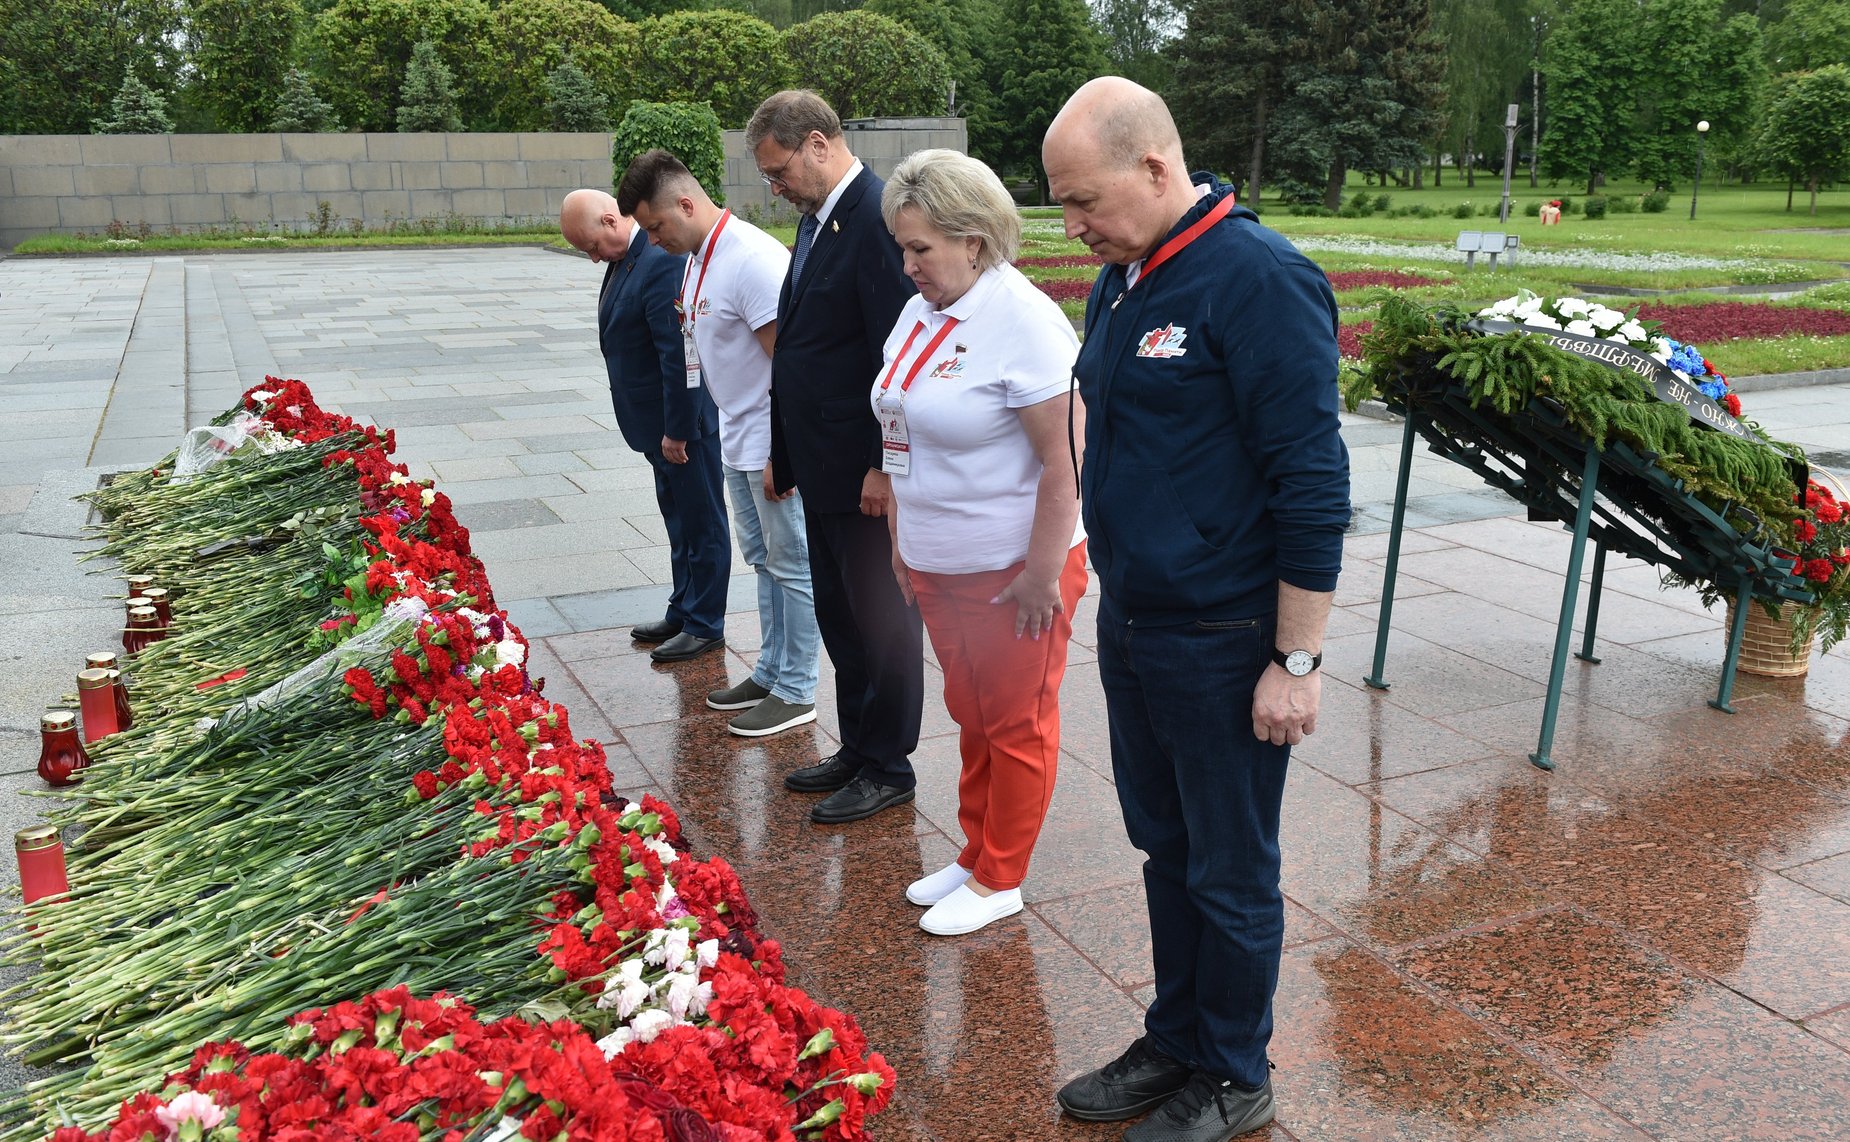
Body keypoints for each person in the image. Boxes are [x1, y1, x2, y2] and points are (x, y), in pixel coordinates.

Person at [1041, 78, 1351, 1142]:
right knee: (1164, 846)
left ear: (1155, 168)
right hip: (1137, 619)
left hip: (1225, 637)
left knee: (1228, 862)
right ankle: (1175, 1035)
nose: (1069, 225)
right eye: (1060, 204)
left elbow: (1310, 481)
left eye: (1081, 200)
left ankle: (1232, 1066)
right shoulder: (1122, 279)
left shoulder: (1258, 281)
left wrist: (1295, 662)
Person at [873, 149, 1087, 937]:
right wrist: (904, 539)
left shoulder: (1023, 320)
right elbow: (900, 434)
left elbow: (1066, 463)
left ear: (975, 238)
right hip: (937, 559)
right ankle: (975, 853)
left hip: (1011, 570)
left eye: (922, 248)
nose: (909, 265)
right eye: (903, 247)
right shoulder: (920, 312)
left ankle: (1004, 875)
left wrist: (1040, 574)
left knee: (1017, 720)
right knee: (971, 712)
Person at [746, 90, 923, 824]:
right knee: (842, 614)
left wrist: (886, 464)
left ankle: (890, 764)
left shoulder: (877, 218)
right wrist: (783, 454)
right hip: (821, 464)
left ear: (818, 143)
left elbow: (898, 352)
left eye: (779, 169)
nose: (775, 185)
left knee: (881, 619)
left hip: (862, 470)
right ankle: (858, 745)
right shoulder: (820, 221)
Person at [616, 150, 821, 738]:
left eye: (656, 227)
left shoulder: (751, 258)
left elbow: (790, 364)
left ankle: (798, 687)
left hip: (769, 440)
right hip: (737, 437)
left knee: (793, 566)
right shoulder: (699, 257)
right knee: (764, 562)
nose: (653, 242)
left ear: (686, 203)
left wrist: (784, 451)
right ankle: (772, 671)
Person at [559, 189, 731, 663]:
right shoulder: (629, 258)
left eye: (593, 247)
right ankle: (684, 607)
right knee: (678, 520)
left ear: (612, 220)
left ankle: (705, 623)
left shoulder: (659, 260)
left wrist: (678, 429)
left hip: (680, 427)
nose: (594, 259)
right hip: (654, 426)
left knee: (702, 522)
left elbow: (678, 356)